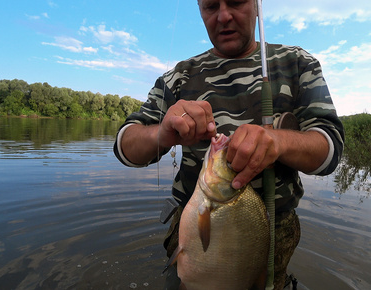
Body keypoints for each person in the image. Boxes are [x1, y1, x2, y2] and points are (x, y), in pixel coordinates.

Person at [114, 0, 344, 288]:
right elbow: (124, 145)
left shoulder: (297, 63)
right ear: (199, 10)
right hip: (195, 221)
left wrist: (279, 140)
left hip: (273, 229)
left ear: (257, 5)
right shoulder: (179, 76)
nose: (223, 15)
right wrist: (161, 133)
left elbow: (331, 147)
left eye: (236, 2)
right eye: (211, 6)